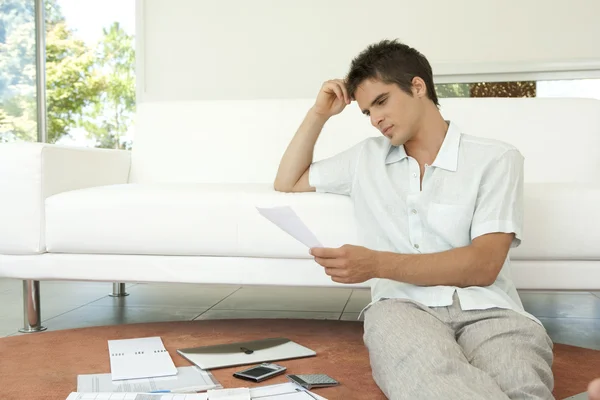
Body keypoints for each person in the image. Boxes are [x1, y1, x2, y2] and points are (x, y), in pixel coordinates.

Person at [274, 39, 555, 400]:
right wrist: (318, 114)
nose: (375, 119)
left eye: (381, 101)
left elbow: (483, 265)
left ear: (418, 86)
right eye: (366, 112)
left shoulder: (496, 159)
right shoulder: (365, 159)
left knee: (521, 384)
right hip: (401, 307)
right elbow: (289, 180)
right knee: (431, 381)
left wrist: (374, 263)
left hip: (491, 309)